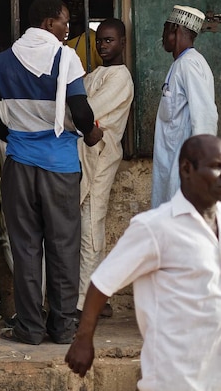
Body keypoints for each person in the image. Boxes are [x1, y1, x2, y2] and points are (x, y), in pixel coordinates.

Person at [0, 0, 103, 346]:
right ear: (48, 24)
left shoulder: (3, 61)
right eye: (64, 22)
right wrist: (92, 133)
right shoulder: (65, 58)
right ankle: (62, 327)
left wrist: (13, 136)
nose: (68, 28)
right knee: (63, 247)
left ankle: (30, 328)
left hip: (19, 165)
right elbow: (80, 111)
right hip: (60, 167)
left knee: (26, 249)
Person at [66, 134, 221, 390]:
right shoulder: (156, 228)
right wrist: (84, 339)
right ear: (186, 169)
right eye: (216, 167)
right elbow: (103, 281)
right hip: (174, 378)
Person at [76, 18, 133, 315]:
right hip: (86, 154)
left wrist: (77, 116)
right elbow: (77, 110)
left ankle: (89, 302)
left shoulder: (121, 78)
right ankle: (95, 298)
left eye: (109, 40)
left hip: (102, 154)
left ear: (123, 42)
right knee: (83, 225)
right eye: (100, 41)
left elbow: (85, 111)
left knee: (91, 226)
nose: (102, 46)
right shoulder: (96, 73)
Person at [151, 5, 217, 208]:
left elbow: (205, 116)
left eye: (165, 29)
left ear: (175, 28)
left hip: (184, 169)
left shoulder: (189, 64)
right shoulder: (180, 64)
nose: (162, 36)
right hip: (172, 163)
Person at [64, 0, 102, 73]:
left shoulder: (93, 39)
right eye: (71, 3)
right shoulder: (59, 41)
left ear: (88, 8)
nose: (74, 7)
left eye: (80, 4)